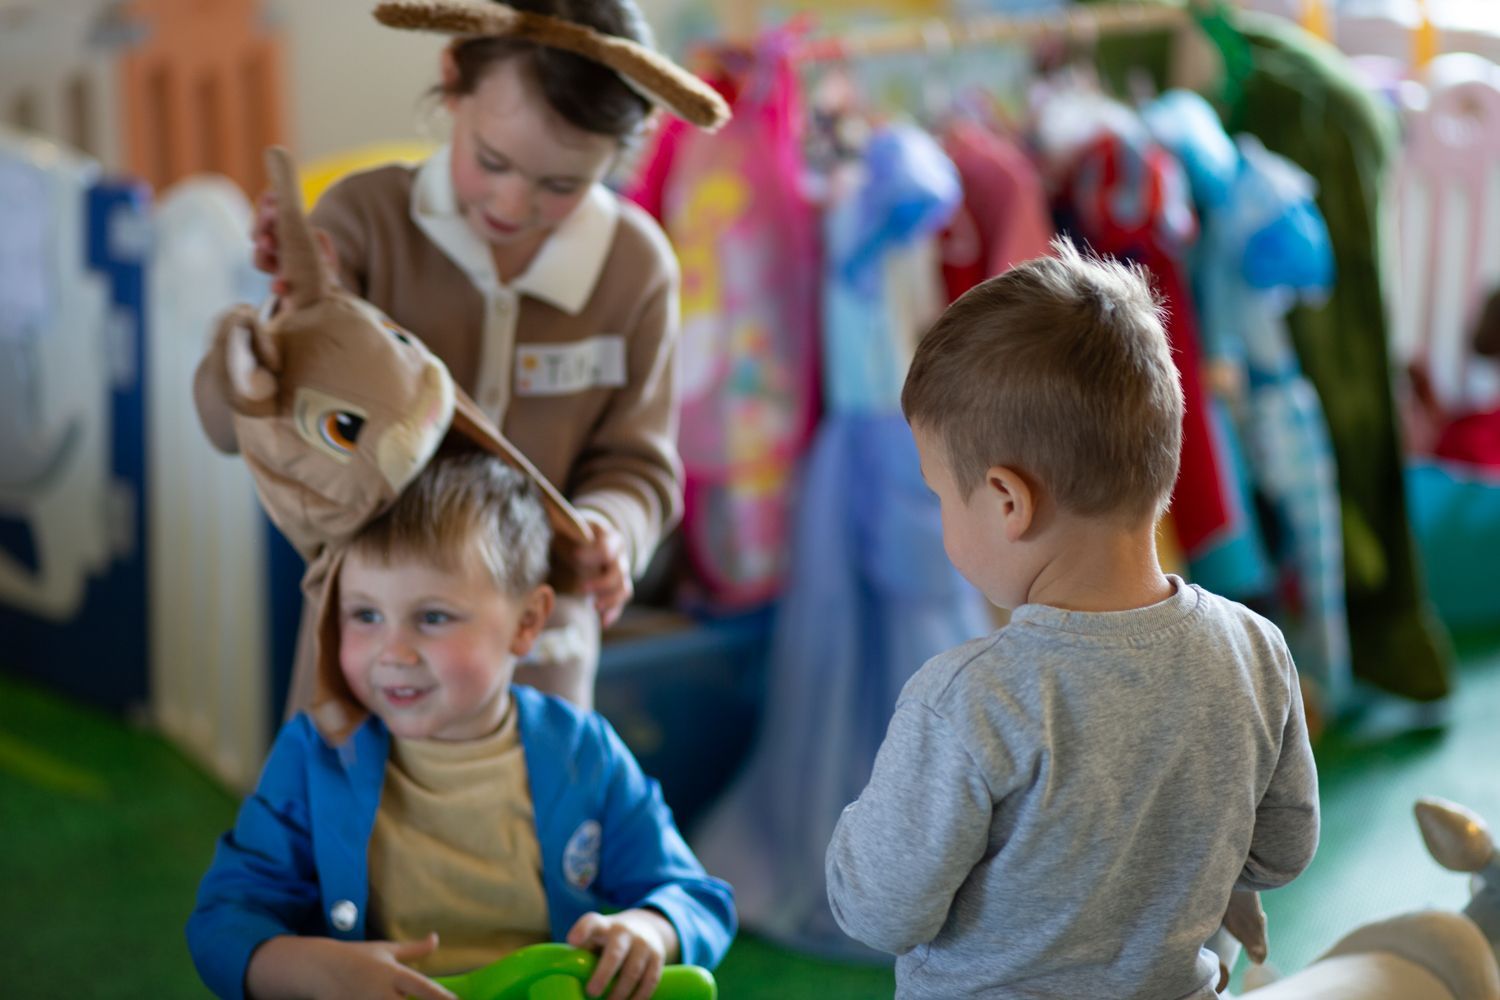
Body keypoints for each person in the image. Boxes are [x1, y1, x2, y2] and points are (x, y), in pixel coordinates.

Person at [824, 239, 1320, 999]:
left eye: (939, 496)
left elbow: (880, 910)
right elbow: (1282, 852)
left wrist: (859, 838)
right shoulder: (1255, 650)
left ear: (1007, 501)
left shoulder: (968, 701)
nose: (941, 519)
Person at [251, 0, 702, 711]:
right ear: (452, 79)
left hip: (538, 648)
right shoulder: (364, 222)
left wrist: (613, 530)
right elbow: (286, 424)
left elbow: (638, 463)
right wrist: (299, 309)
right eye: (492, 161)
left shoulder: (636, 269)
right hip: (370, 637)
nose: (513, 202)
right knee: (342, 816)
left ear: (628, 144)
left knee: (525, 819)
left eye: (561, 185)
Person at [187, 451, 735, 1000]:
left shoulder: (583, 753)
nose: (393, 653)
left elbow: (696, 897)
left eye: (433, 617)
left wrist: (648, 930)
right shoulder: (315, 754)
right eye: (365, 615)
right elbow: (224, 922)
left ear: (527, 623)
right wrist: (323, 971)